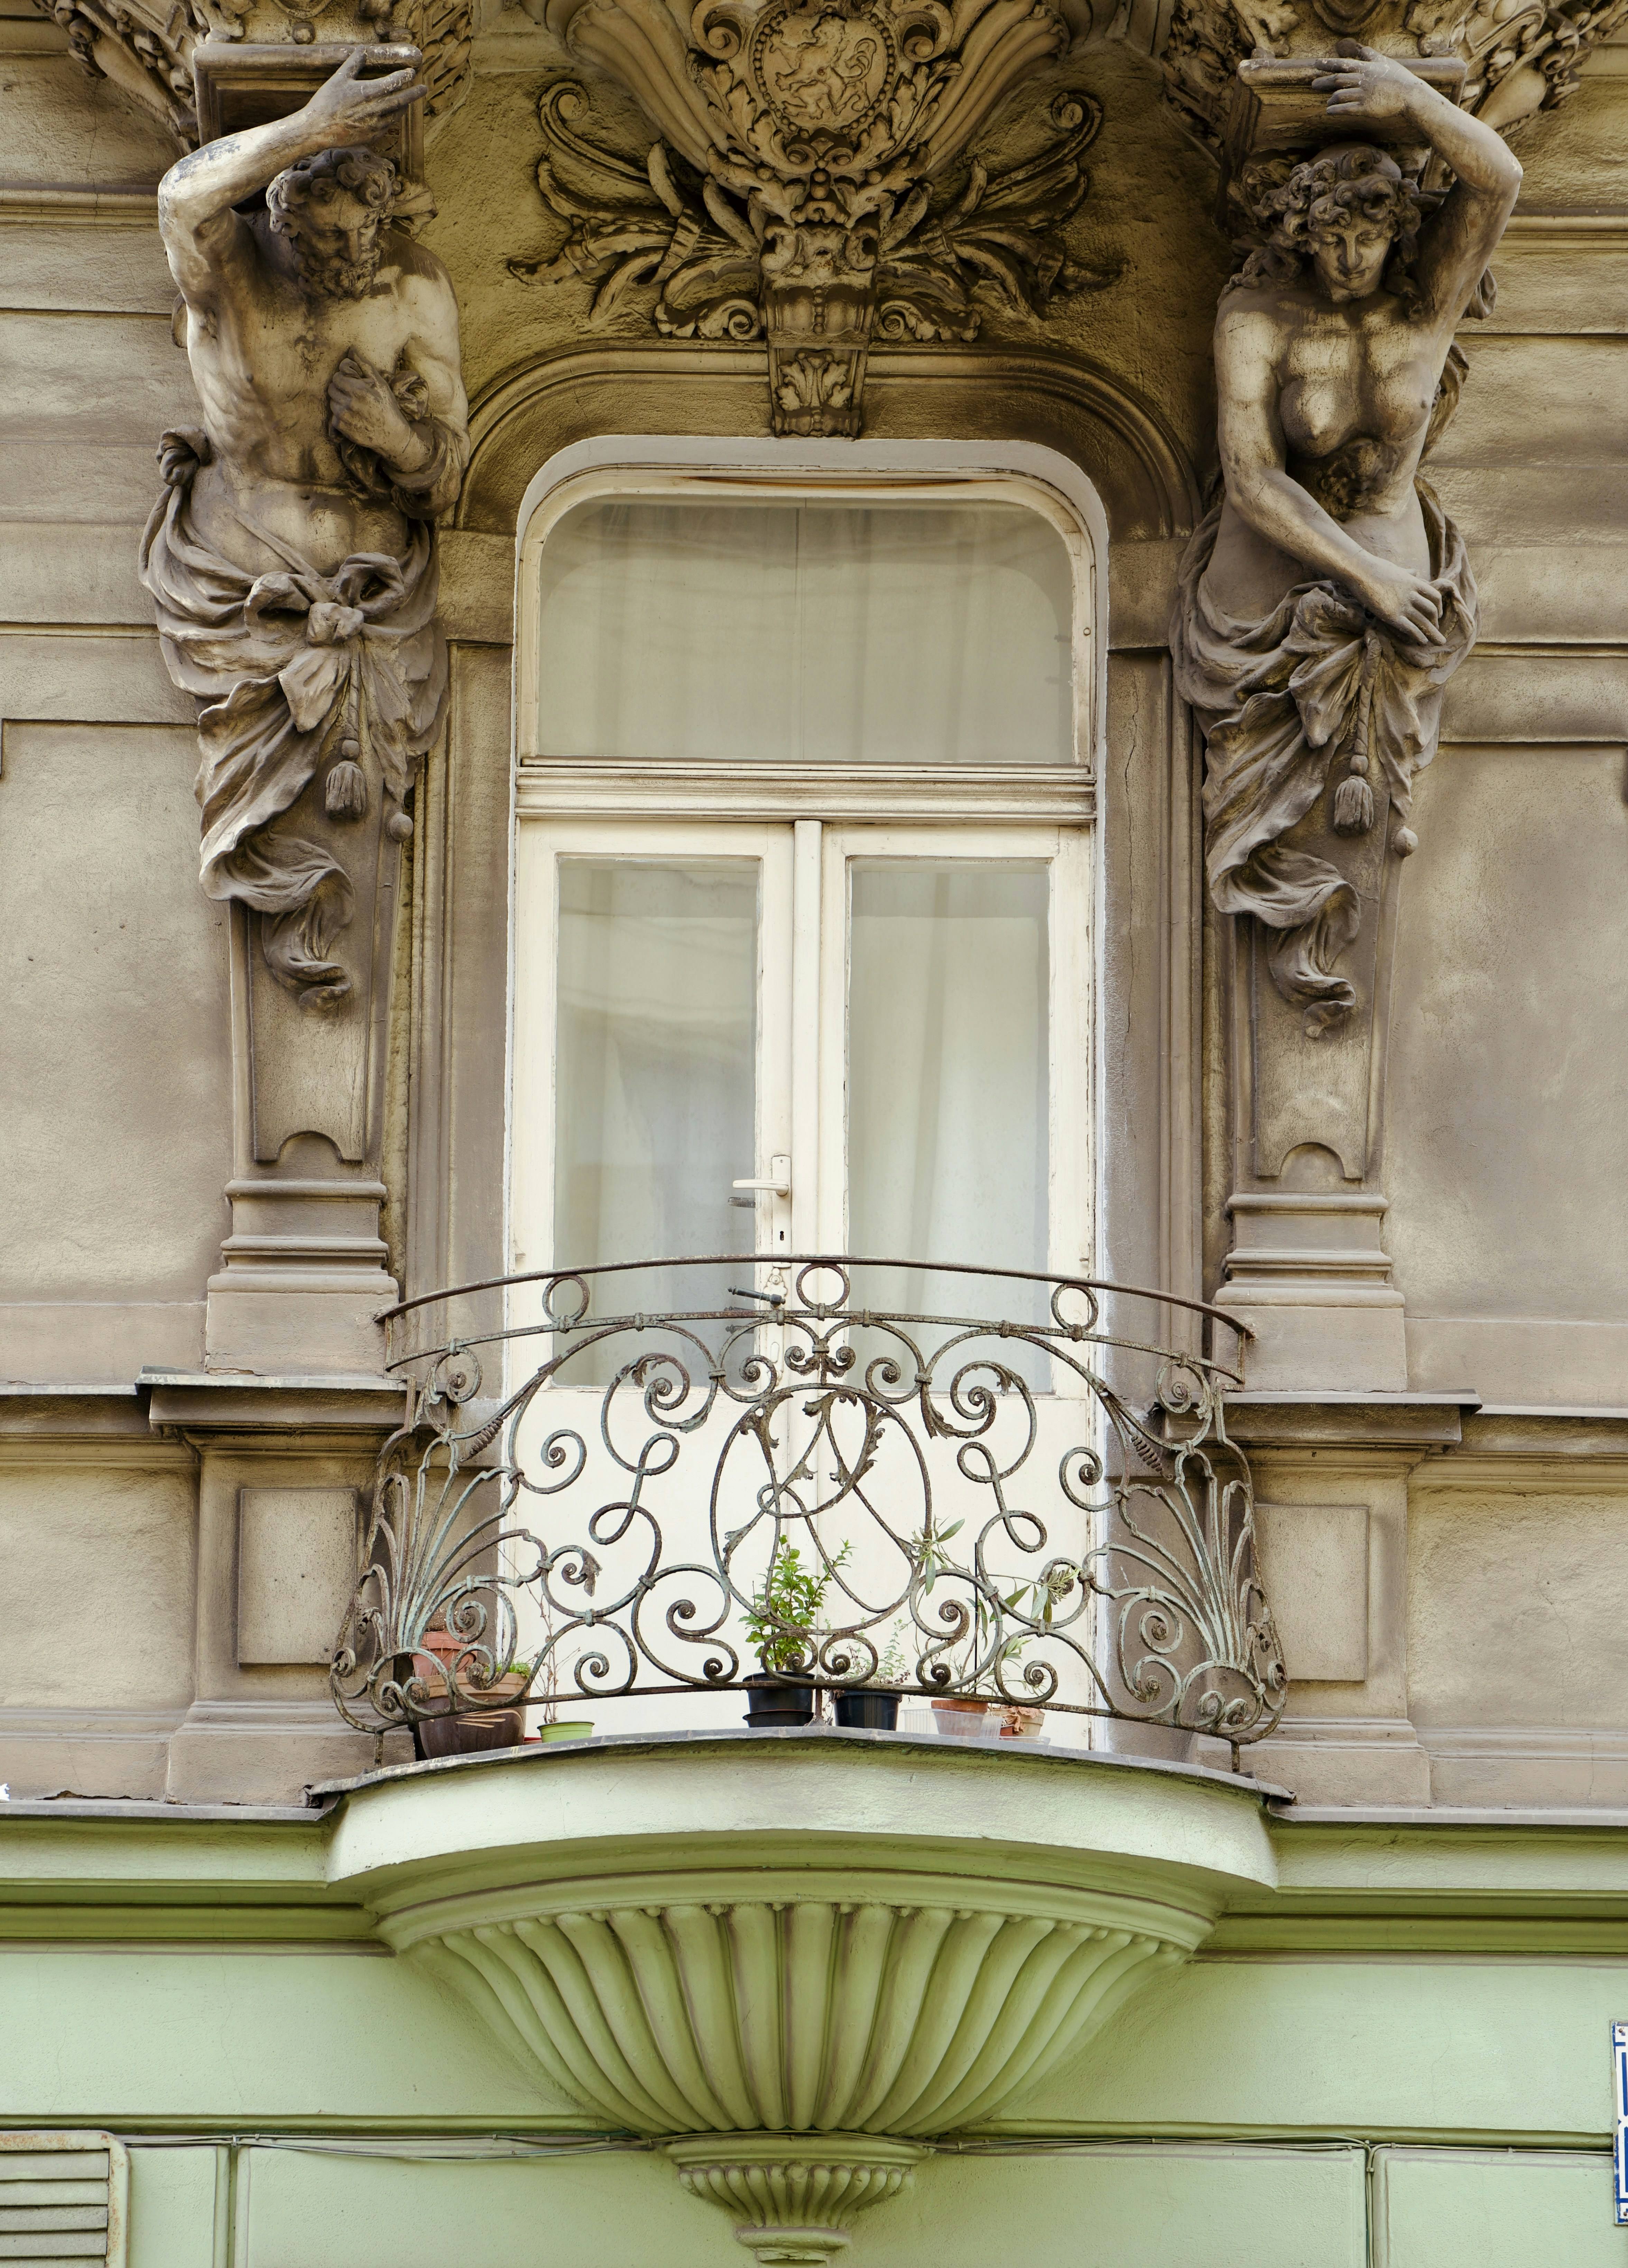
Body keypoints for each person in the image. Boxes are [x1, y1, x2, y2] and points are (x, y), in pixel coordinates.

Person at [1172, 44, 1521, 1032]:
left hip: (1400, 603)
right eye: (1331, 239)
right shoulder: (1259, 318)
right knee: (1277, 824)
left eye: (1369, 238)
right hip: (1304, 589)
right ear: (1302, 232)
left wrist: (1412, 101)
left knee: (1373, 822)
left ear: (1395, 233)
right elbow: (1250, 481)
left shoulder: (1426, 302)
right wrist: (1366, 575)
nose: (1352, 259)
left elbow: (1498, 179)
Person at [140, 51, 469, 1007]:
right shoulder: (230, 278)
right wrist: (307, 128)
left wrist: (397, 439)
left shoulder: (408, 291)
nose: (345, 266)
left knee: (356, 836)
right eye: (322, 245)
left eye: (360, 242)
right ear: (279, 222)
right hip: (241, 593)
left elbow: (446, 474)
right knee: (260, 846)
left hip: (371, 598)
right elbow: (177, 200)